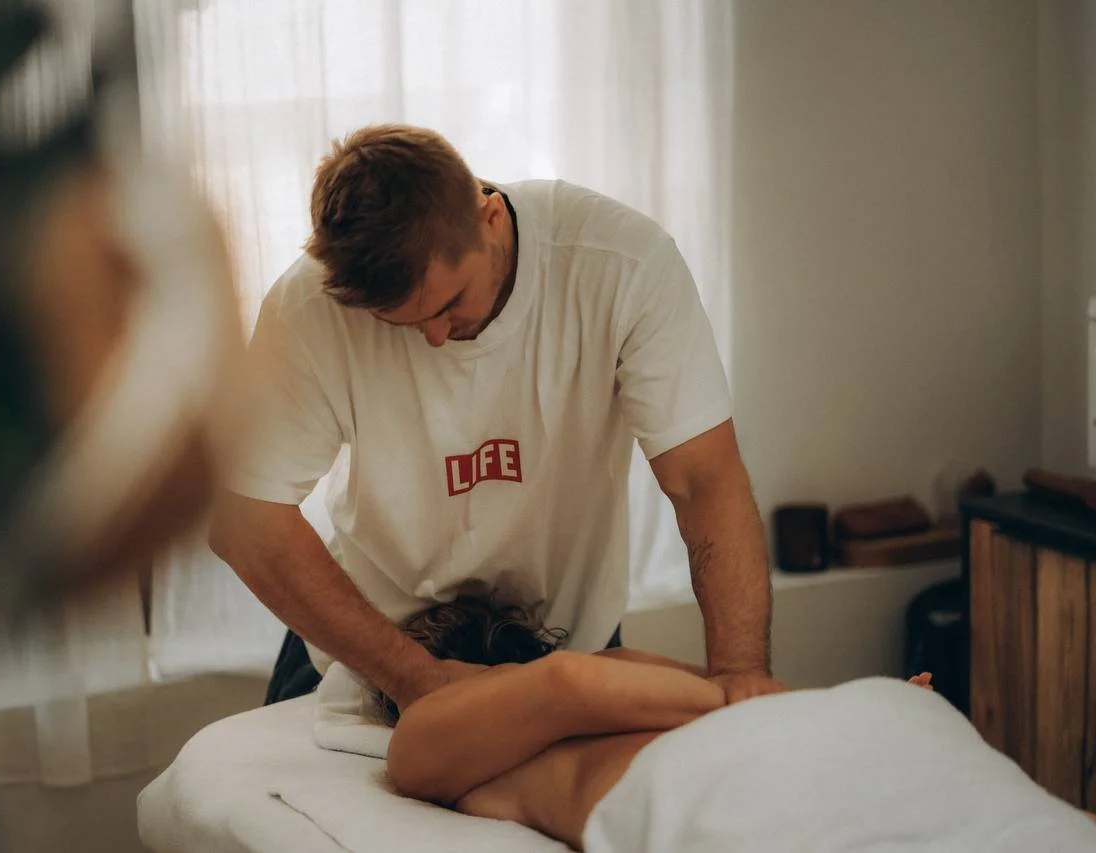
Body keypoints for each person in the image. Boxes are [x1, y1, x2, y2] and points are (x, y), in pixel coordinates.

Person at [210, 123, 782, 715]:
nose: (433, 339)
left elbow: (703, 480)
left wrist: (741, 676)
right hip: (366, 648)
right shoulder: (311, 309)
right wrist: (419, 682)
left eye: (449, 305)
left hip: (562, 636)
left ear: (490, 220)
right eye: (399, 323)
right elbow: (245, 521)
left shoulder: (621, 266)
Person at [381, 597, 1096, 852]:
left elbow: (743, 697)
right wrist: (830, 705)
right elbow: (575, 678)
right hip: (829, 737)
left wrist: (804, 709)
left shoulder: (558, 695)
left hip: (790, 756)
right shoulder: (441, 730)